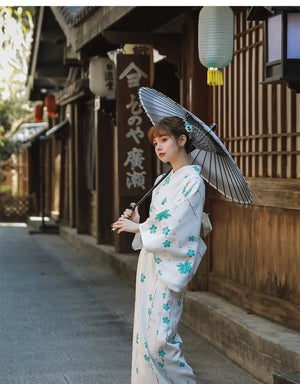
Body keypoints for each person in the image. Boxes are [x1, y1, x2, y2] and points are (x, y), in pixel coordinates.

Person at [112, 116, 208, 384]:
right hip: (151, 263)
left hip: (170, 265)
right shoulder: (162, 181)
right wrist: (139, 223)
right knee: (145, 338)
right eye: (155, 142)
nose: (159, 146)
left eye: (164, 140)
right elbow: (159, 223)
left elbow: (179, 226)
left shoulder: (193, 182)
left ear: (182, 140)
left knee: (160, 341)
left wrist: (141, 231)